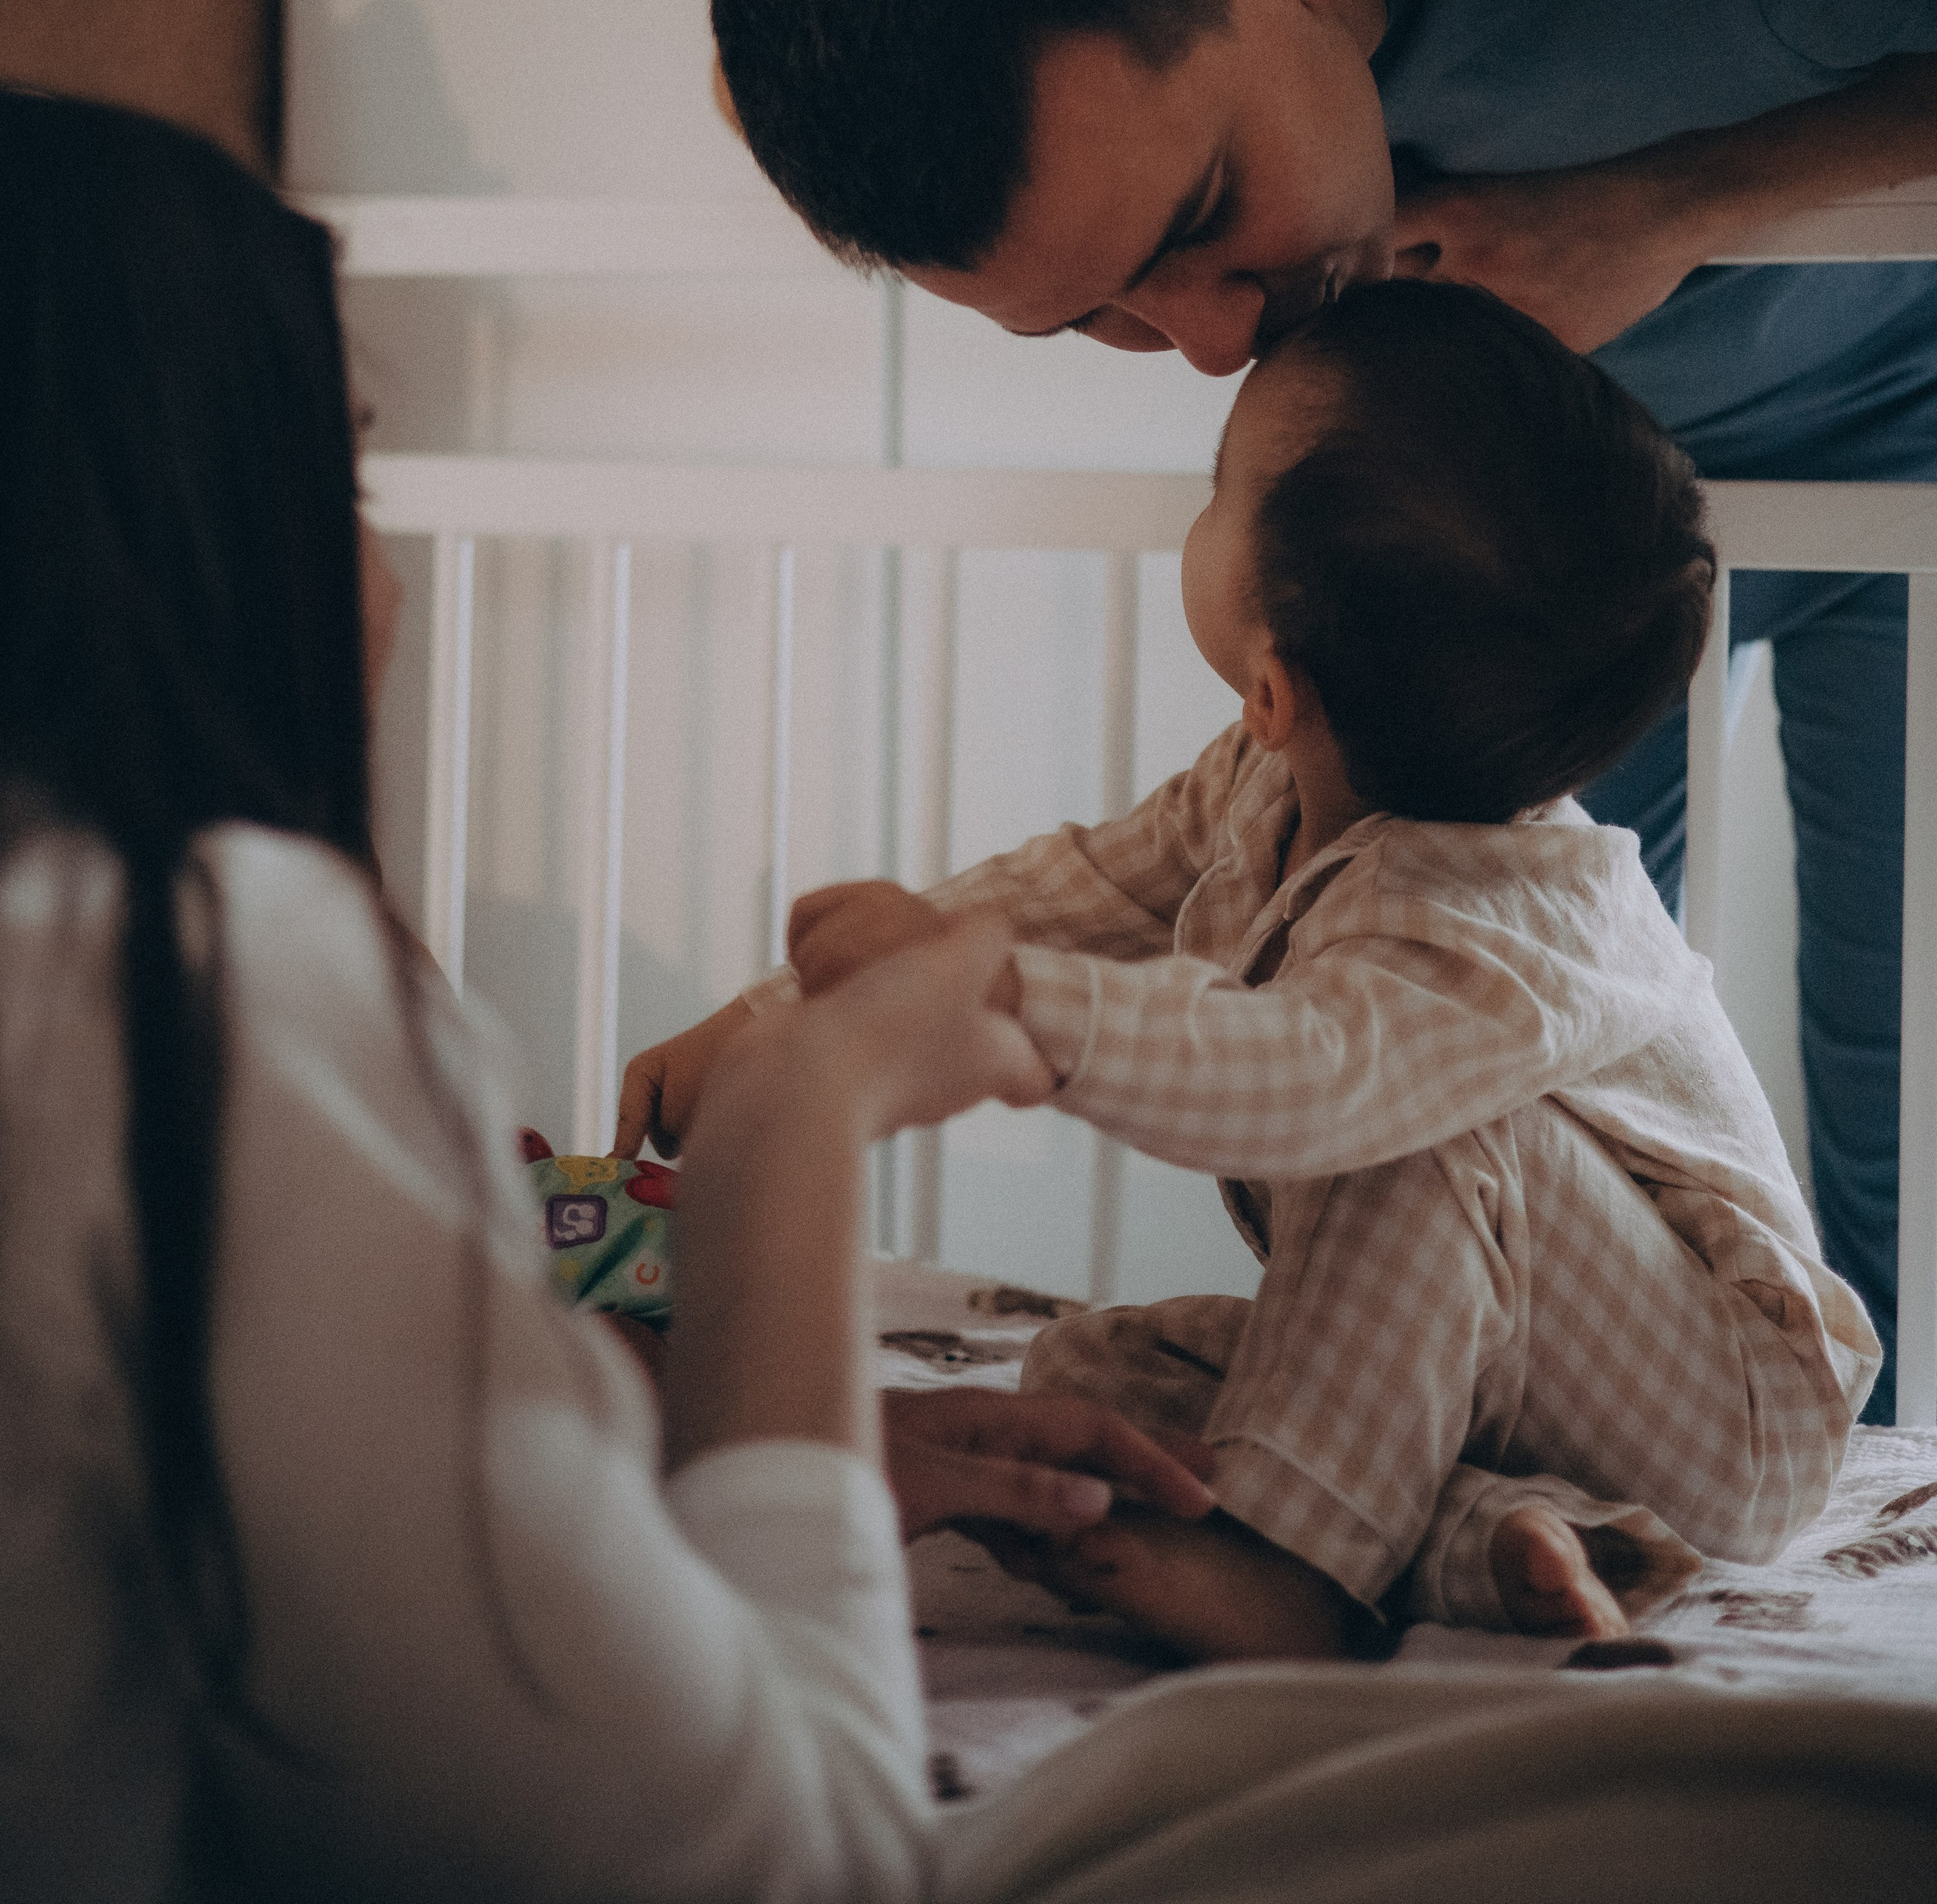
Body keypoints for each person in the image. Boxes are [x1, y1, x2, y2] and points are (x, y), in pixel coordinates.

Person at [704, 0, 1937, 1420]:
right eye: (1096, 315)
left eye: (1201, 216)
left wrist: (1677, 200)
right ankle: (1502, 1486)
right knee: (1493, 1085)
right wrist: (789, 1017)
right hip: (1503, 529)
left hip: (1899, 421)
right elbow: (751, 89)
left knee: (1896, 1085)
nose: (1215, 348)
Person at [0, 88, 1217, 1904]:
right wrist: (795, 1126)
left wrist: (693, 1445)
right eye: (344, 482)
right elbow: (791, 1865)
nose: (384, 585)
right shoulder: (176, 972)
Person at [623, 279, 1879, 1660]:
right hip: (1538, 1391)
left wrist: (1007, 1008)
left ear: (1275, 683)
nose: (1200, 497)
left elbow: (1308, 1075)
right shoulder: (1265, 783)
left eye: (1219, 484)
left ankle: (1286, 1570)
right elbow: (1072, 897)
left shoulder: (1520, 921)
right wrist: (780, 1022)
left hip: (1728, 1404)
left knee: (1418, 1127)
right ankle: (1497, 1538)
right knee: (1090, 1381)